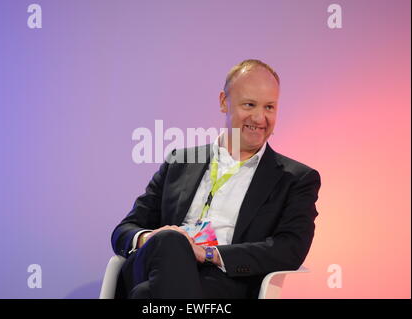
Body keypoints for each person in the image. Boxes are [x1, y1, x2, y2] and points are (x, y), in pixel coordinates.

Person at [111, 59, 321, 299]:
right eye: (250, 104)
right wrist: (153, 239)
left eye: (269, 107)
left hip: (223, 283)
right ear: (224, 102)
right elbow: (124, 231)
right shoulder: (179, 162)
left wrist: (208, 254)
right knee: (170, 241)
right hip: (153, 267)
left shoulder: (295, 179)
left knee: (146, 295)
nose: (260, 118)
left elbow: (289, 250)